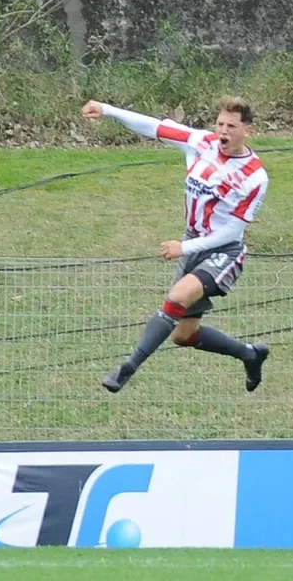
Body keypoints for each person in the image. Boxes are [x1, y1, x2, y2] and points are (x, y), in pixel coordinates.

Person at [81, 97, 270, 394]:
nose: (223, 131)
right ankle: (250, 354)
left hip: (225, 251)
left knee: (178, 295)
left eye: (231, 126)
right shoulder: (199, 142)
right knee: (184, 335)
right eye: (220, 123)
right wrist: (107, 110)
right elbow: (153, 126)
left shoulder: (255, 177)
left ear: (247, 131)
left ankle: (127, 368)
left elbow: (233, 230)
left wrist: (185, 249)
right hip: (192, 242)